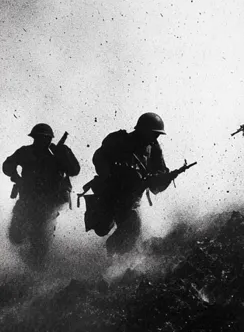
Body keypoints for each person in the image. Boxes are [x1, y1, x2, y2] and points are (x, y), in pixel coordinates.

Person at [85, 113, 173, 255]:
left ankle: (115, 260)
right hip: (110, 193)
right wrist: (106, 173)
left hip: (131, 198)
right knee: (101, 228)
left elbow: (158, 180)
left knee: (132, 229)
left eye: (157, 135)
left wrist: (164, 178)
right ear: (142, 130)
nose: (155, 139)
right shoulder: (119, 140)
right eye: (153, 134)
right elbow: (99, 156)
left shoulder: (154, 149)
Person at [3, 123, 79, 268]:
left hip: (48, 203)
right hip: (27, 199)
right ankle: (28, 256)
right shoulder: (25, 152)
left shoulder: (57, 154)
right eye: (38, 138)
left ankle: (35, 271)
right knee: (15, 236)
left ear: (50, 139)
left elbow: (74, 170)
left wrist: (63, 153)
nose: (41, 141)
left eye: (45, 138)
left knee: (40, 240)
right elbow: (7, 165)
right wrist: (16, 177)